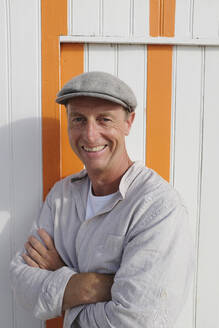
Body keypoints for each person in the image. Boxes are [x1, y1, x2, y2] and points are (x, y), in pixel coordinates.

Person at [10, 71, 194, 328]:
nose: (90, 135)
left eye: (104, 120)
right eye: (78, 119)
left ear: (129, 122)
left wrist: (61, 275)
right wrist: (96, 285)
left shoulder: (157, 207)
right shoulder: (61, 195)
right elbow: (21, 282)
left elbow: (136, 321)